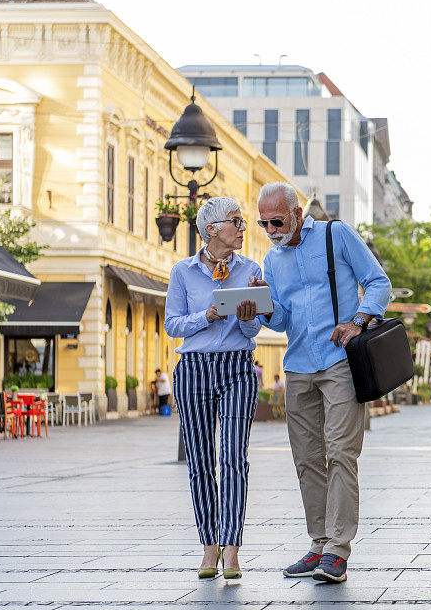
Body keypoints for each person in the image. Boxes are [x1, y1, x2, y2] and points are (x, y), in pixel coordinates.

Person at [244, 182, 391, 583]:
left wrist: (358, 321)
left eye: (276, 220)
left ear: (295, 213)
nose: (271, 229)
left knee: (342, 452)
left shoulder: (334, 234)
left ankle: (338, 552)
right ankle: (319, 543)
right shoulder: (271, 260)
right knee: (307, 458)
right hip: (298, 365)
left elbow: (379, 282)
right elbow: (281, 320)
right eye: (263, 223)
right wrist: (259, 305)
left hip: (340, 360)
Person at [164, 196, 263, 581]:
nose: (243, 227)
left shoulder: (250, 269)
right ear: (211, 230)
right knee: (202, 462)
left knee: (234, 458)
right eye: (235, 221)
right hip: (193, 368)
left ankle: (233, 549)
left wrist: (251, 316)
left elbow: (254, 331)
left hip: (238, 367)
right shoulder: (183, 272)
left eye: (241, 221)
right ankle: (210, 548)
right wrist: (206, 316)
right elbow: (173, 324)